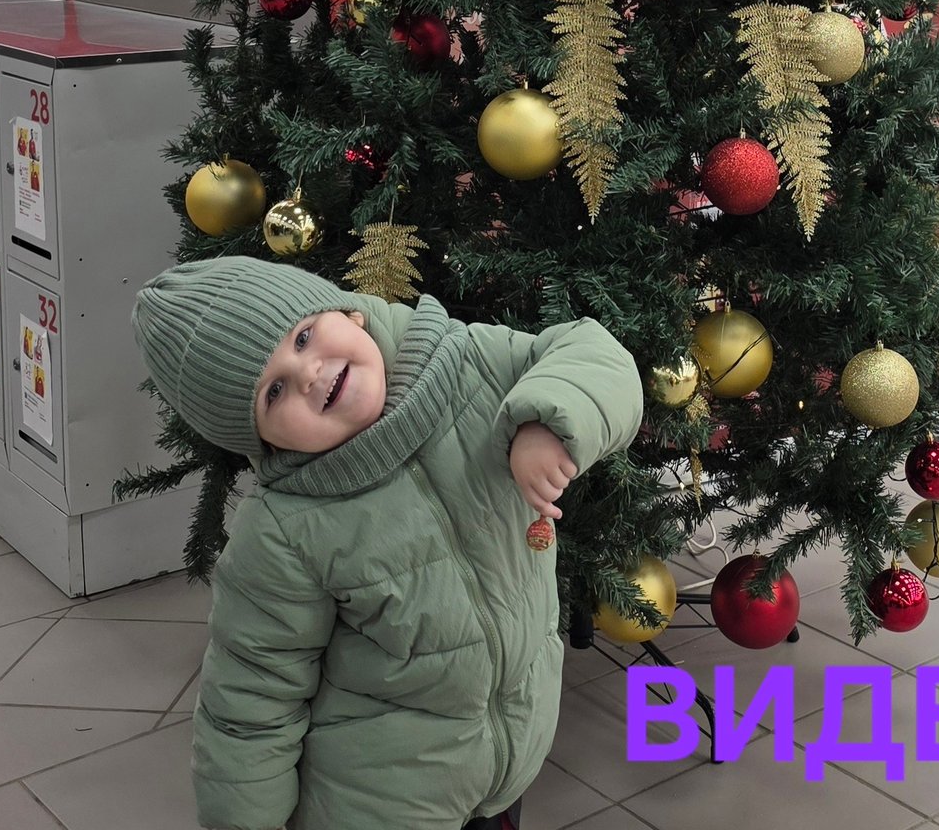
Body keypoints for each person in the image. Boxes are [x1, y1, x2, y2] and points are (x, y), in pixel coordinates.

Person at [130, 256, 644, 830]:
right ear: (264, 441)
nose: (308, 374)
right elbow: (251, 699)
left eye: (303, 336)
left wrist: (547, 425)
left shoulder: (470, 362)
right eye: (273, 392)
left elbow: (595, 353)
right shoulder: (284, 530)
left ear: (348, 312)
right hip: (379, 802)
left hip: (508, 763)